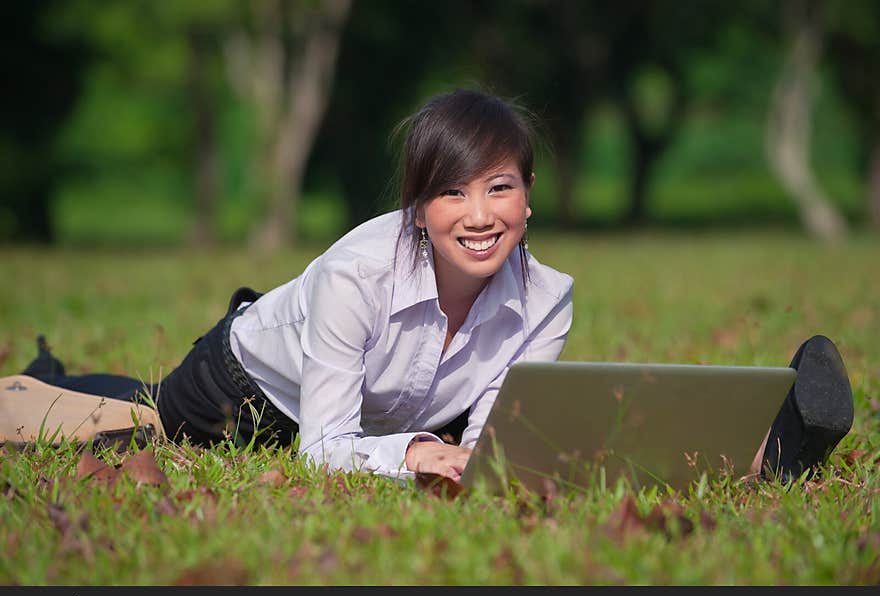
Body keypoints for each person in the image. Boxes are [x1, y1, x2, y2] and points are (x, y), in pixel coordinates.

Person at [13, 89, 854, 485]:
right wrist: (413, 452)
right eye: (454, 190)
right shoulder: (355, 272)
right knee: (137, 418)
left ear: (529, 195)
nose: (481, 214)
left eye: (501, 187)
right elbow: (323, 448)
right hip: (248, 390)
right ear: (418, 206)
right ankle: (43, 384)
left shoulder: (546, 298)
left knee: (548, 447)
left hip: (404, 406)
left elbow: (492, 439)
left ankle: (759, 449)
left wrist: (467, 459)